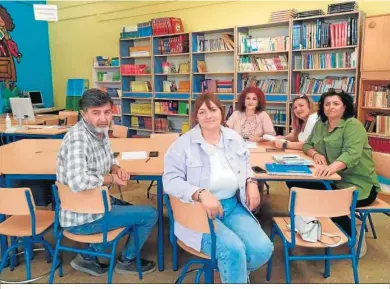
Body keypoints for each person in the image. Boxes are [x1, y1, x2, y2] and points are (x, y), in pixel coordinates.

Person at [163, 93, 274, 283]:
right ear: (195, 117)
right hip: (196, 212)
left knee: (263, 249)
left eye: (213, 110)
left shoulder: (233, 137)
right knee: (232, 249)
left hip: (231, 206)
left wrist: (251, 181)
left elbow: (245, 163)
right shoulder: (182, 144)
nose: (208, 116)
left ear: (222, 113)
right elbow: (170, 180)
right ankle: (232, 271)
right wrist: (200, 193)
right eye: (202, 112)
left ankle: (231, 271)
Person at [56, 88, 158, 277]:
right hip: (81, 217)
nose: (103, 118)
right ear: (84, 114)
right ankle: (126, 261)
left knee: (130, 209)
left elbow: (110, 158)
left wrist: (115, 169)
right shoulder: (78, 140)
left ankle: (88, 257)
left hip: (92, 204)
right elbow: (78, 181)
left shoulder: (100, 132)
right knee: (150, 214)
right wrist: (111, 178)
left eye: (107, 112)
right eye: (96, 113)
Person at [302, 88, 380, 258]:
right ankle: (322, 223)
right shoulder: (320, 124)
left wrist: (331, 168)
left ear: (345, 107)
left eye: (336, 103)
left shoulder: (353, 125)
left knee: (324, 199)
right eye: (327, 104)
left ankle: (353, 234)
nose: (331, 107)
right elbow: (307, 145)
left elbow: (351, 153)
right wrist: (316, 154)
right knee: (298, 184)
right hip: (332, 179)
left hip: (358, 184)